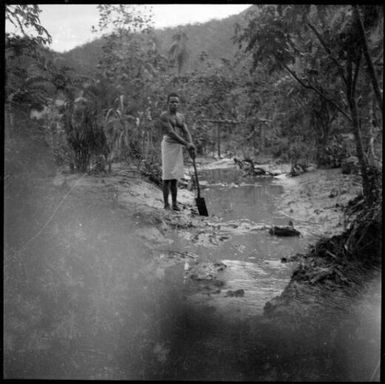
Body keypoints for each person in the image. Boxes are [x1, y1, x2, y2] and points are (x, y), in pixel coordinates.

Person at [159, 92, 196, 211]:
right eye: (172, 102)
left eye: (176, 102)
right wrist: (186, 144)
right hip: (168, 145)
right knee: (166, 176)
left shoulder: (180, 117)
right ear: (168, 103)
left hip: (177, 147)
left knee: (175, 176)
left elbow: (186, 131)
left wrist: (191, 145)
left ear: (179, 104)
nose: (174, 104)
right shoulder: (164, 116)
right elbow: (171, 133)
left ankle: (174, 204)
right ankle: (166, 204)